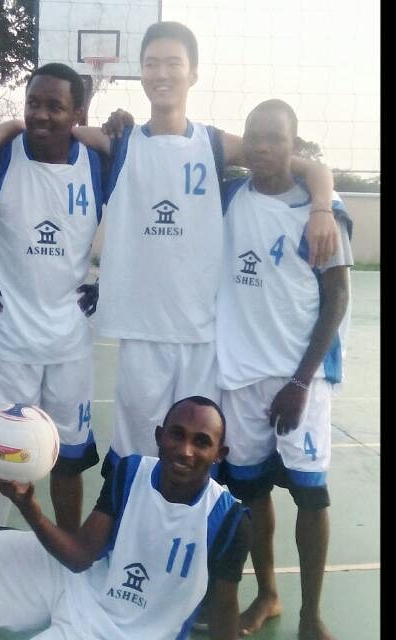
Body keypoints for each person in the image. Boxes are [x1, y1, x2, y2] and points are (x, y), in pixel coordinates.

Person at [63, 21, 341, 471]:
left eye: (173, 63)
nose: (162, 73)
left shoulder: (213, 144)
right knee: (136, 456)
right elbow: (53, 129)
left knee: (196, 457)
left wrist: (322, 208)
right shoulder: (121, 141)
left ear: (193, 73)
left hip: (204, 337)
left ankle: (192, 538)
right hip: (142, 333)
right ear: (141, 72)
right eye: (151, 64)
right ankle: (131, 537)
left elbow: (310, 168)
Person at [0, 396, 252, 640]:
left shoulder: (229, 519)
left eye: (201, 442)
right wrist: (28, 506)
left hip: (129, 631)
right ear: (160, 436)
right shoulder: (129, 472)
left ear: (218, 455)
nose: (186, 450)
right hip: (82, 583)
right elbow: (79, 556)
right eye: (177, 434)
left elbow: (223, 611)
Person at [0, 62, 103, 536]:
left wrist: (108, 285)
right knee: (2, 456)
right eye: (33, 103)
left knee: (69, 461)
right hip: (11, 341)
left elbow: (146, 225)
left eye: (56, 105)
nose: (42, 115)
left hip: (70, 342)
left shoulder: (98, 163)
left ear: (78, 112)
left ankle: (66, 564)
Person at [215, 99, 352, 640]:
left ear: (295, 146)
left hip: (304, 377)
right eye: (255, 136)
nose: (263, 146)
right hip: (241, 376)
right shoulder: (229, 196)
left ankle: (308, 615)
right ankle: (267, 593)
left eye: (275, 138)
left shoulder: (321, 212)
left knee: (311, 496)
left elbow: (337, 299)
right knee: (251, 493)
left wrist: (299, 381)